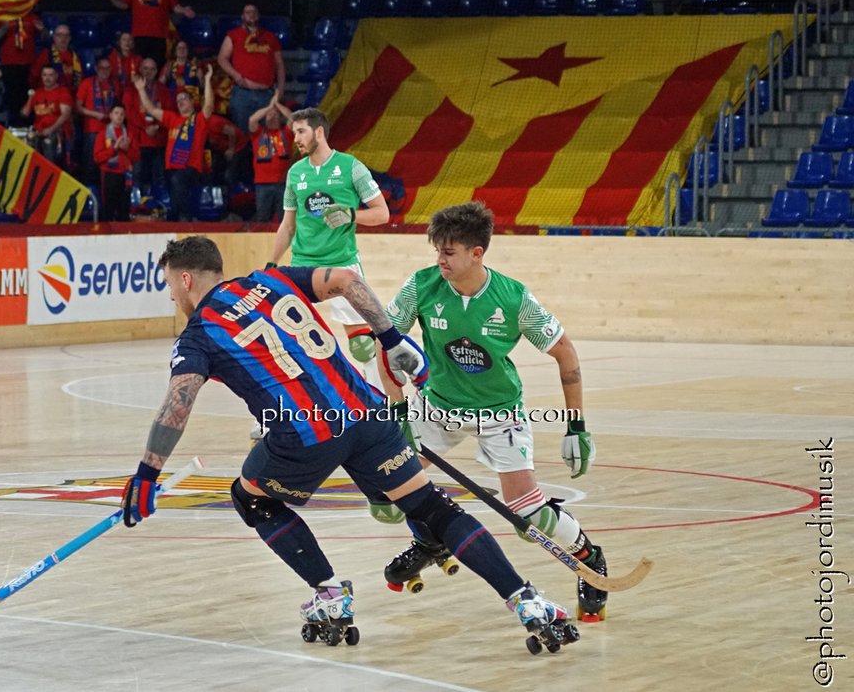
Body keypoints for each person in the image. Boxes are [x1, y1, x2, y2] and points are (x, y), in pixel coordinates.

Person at [117, 236, 578, 648]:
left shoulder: (199, 334)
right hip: (366, 413)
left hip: (303, 434)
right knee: (433, 508)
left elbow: (178, 404)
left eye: (170, 287)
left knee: (251, 499)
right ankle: (526, 600)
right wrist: (391, 336)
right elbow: (346, 279)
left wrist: (146, 474)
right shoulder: (270, 280)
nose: (172, 296)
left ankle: (331, 597)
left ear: (185, 279)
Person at [373, 201, 607, 621]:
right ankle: (432, 539)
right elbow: (385, 341)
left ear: (476, 253)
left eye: (449, 252)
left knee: (529, 517)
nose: (439, 259)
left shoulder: (513, 298)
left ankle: (588, 557)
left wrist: (577, 426)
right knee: (386, 498)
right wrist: (396, 411)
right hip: (436, 408)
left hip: (500, 415)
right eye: (437, 251)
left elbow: (566, 354)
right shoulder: (421, 287)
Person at [267, 107, 390, 396]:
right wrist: (271, 264)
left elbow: (382, 214)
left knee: (362, 345)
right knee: (282, 343)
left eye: (301, 131)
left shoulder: (351, 167)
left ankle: (375, 408)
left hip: (343, 265)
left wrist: (350, 214)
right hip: (302, 267)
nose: (295, 138)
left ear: (319, 132)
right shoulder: (295, 173)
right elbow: (287, 226)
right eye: (293, 132)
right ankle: (276, 411)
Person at [131, 65, 215, 222]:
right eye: (177, 100)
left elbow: (209, 105)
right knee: (174, 197)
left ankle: (188, 218)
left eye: (183, 99)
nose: (180, 102)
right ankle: (179, 222)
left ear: (192, 101)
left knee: (178, 184)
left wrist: (208, 80)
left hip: (190, 168)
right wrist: (141, 89)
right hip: (170, 168)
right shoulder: (173, 118)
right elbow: (151, 109)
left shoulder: (198, 119)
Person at [100, 0, 196, 67]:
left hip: (159, 36)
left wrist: (184, 10)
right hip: (139, 35)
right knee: (139, 67)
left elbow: (175, 7)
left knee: (156, 67)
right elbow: (124, 5)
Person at [216, 4, 286, 144]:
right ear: (242, 16)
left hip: (266, 93)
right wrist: (236, 76)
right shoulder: (233, 35)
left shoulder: (270, 37)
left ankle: (264, 166)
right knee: (242, 137)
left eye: (254, 12)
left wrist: (281, 90)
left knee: (268, 137)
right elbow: (222, 58)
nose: (251, 14)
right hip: (243, 93)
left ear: (258, 15)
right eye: (247, 12)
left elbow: (279, 65)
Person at [125, 57, 173, 197]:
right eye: (145, 68)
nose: (148, 72)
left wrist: (157, 127)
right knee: (137, 175)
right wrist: (144, 127)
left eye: (152, 69)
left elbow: (169, 112)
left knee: (159, 176)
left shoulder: (164, 91)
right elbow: (129, 112)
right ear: (140, 69)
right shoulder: (130, 89)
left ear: (157, 71)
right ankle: (135, 208)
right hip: (138, 140)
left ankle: (160, 208)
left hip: (158, 140)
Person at [75, 55, 125, 182]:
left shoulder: (115, 85)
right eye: (102, 68)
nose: (105, 71)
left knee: (110, 162)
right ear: (96, 68)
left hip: (111, 130)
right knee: (91, 163)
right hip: (93, 129)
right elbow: (78, 107)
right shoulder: (87, 83)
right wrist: (95, 114)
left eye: (108, 68)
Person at [247, 91, 294, 223]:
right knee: (262, 218)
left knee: (284, 219)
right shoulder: (258, 133)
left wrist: (277, 104)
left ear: (280, 117)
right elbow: (252, 120)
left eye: (274, 114)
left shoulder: (286, 132)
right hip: (262, 183)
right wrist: (269, 106)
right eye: (268, 114)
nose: (271, 115)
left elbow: (293, 119)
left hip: (283, 183)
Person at [0, 11, 45, 124]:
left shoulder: (33, 17)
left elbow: (46, 38)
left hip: (28, 65)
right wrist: (4, 28)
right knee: (12, 99)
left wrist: (42, 30)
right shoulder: (3, 17)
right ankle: (13, 126)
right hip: (9, 65)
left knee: (28, 97)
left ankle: (27, 126)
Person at [21, 65, 75, 167]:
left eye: (50, 75)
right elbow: (25, 114)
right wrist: (30, 99)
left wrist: (51, 129)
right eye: (44, 75)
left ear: (56, 76)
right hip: (39, 132)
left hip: (57, 132)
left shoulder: (62, 91)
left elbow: (65, 115)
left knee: (50, 142)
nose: (47, 78)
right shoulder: (37, 92)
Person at [93, 104, 135, 222]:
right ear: (111, 115)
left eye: (122, 114)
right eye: (116, 113)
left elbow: (136, 157)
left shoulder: (129, 134)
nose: (119, 116)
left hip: (126, 175)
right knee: (108, 210)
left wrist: (127, 149)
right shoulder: (102, 134)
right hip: (109, 174)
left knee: (124, 211)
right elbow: (97, 158)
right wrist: (114, 149)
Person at [35, 22, 83, 92]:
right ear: (54, 37)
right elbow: (35, 76)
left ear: (70, 38)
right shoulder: (46, 54)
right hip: (49, 94)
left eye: (66, 35)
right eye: (59, 35)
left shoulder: (75, 56)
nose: (63, 38)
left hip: (70, 95)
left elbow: (80, 78)